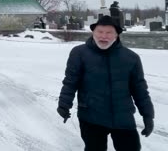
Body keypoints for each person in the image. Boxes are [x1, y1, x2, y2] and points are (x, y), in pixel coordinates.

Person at [57, 15, 154, 151]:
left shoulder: (131, 58)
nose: (104, 36)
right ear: (93, 33)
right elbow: (70, 81)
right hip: (91, 117)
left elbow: (140, 90)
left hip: (123, 117)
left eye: (109, 32)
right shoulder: (79, 53)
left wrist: (148, 115)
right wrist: (64, 104)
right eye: (100, 32)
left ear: (116, 35)